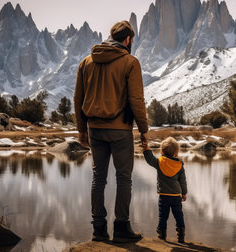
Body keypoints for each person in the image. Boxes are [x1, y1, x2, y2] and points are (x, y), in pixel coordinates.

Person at [74, 20, 149, 243]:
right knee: (124, 178)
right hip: (120, 130)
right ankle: (121, 228)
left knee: (98, 178)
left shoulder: (86, 62)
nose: (132, 43)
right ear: (127, 40)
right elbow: (137, 100)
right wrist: (144, 130)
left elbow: (78, 98)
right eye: (132, 40)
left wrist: (81, 129)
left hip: (94, 129)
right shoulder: (130, 62)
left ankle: (98, 229)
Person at [141, 137, 187, 243]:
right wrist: (184, 193)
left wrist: (146, 149)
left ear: (162, 151)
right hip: (176, 196)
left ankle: (162, 234)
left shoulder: (159, 162)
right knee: (179, 215)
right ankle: (181, 235)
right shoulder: (179, 165)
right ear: (176, 152)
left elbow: (150, 159)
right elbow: (183, 181)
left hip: (164, 195)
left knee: (163, 215)